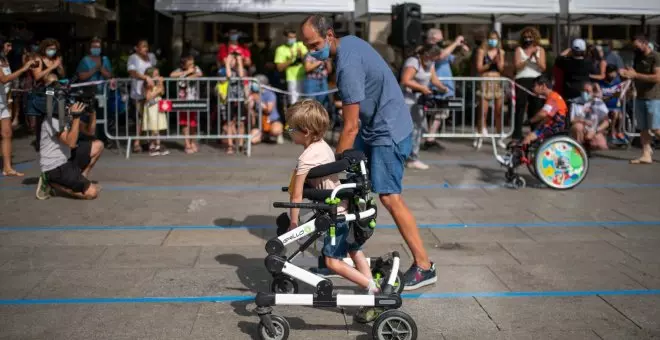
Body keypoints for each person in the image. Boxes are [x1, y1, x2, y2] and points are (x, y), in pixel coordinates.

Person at [300, 15, 436, 295]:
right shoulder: (348, 44)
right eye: (307, 46)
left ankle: (424, 266)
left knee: (388, 196)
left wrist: (328, 169)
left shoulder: (347, 65)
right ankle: (337, 254)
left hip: (387, 130)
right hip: (377, 125)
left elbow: (350, 127)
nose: (311, 51)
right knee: (350, 187)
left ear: (328, 36)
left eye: (314, 44)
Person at [285, 99, 380, 322]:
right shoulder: (324, 146)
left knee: (331, 262)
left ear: (305, 131)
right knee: (353, 249)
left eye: (291, 129)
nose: (289, 132)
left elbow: (296, 196)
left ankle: (372, 290)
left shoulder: (304, 159)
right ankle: (371, 285)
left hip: (334, 212)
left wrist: (293, 223)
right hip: (346, 206)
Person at [36, 95, 101, 200]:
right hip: (55, 166)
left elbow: (90, 132)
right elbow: (70, 143)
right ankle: (53, 184)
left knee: (98, 145)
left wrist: (93, 113)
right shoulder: (54, 118)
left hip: (67, 159)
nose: (74, 105)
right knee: (92, 193)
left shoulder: (65, 115)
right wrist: (76, 117)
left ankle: (82, 179)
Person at [400, 44, 449, 170]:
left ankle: (412, 157)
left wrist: (442, 88)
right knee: (410, 130)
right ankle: (408, 157)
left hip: (419, 102)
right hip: (407, 101)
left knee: (419, 129)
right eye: (433, 58)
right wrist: (422, 88)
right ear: (427, 54)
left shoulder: (430, 63)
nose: (434, 61)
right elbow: (405, 80)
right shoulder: (413, 62)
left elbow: (434, 80)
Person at [424, 29, 469, 148]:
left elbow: (454, 61)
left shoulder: (443, 49)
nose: (441, 42)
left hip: (446, 87)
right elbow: (441, 56)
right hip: (436, 86)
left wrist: (462, 52)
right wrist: (455, 43)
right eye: (439, 39)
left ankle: (431, 137)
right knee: (435, 113)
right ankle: (429, 138)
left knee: (440, 114)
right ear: (432, 39)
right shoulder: (430, 49)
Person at [620, 34, 660, 164]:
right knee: (643, 128)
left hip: (654, 97)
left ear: (645, 43)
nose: (635, 48)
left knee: (656, 128)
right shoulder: (637, 56)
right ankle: (646, 154)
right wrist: (627, 73)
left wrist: (636, 74)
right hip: (640, 96)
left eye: (637, 45)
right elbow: (634, 75)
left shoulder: (655, 56)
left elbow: (657, 77)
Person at [1, 40, 36, 177]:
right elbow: (3, 79)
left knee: (7, 133)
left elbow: (7, 85)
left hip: (3, 102)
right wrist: (24, 68)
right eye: (7, 45)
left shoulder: (4, 59)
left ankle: (7, 168)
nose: (10, 48)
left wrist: (9, 101)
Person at [474, 31, 506, 149]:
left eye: (495, 39)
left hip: (497, 81)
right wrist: (490, 64)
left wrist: (499, 61)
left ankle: (499, 137)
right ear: (487, 40)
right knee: (483, 111)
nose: (493, 41)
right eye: (491, 39)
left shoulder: (500, 52)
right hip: (485, 80)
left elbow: (501, 69)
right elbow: (479, 68)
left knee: (499, 111)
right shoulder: (482, 51)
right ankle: (480, 135)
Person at [513, 27, 546, 141]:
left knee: (536, 107)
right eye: (526, 37)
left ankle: (535, 133)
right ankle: (517, 134)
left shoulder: (540, 50)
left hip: (535, 80)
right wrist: (527, 60)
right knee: (520, 107)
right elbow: (517, 66)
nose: (528, 39)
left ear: (535, 38)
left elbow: (543, 67)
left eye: (530, 37)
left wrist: (535, 57)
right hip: (522, 79)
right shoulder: (519, 49)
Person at [127, 39, 157, 153]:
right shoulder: (133, 58)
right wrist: (145, 78)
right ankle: (137, 142)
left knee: (150, 116)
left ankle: (148, 141)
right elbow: (132, 72)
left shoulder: (151, 57)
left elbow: (154, 71)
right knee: (140, 118)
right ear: (137, 48)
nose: (146, 48)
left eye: (147, 46)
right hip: (138, 92)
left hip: (150, 91)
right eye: (143, 46)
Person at [522, 75, 568, 146]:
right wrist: (538, 127)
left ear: (543, 86)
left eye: (534, 86)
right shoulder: (554, 96)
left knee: (528, 138)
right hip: (555, 126)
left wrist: (530, 121)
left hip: (555, 128)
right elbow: (547, 117)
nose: (532, 88)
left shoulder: (553, 98)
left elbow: (543, 114)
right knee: (532, 134)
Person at [170, 55, 203, 154]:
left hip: (193, 99)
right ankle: (187, 143)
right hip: (182, 100)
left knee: (193, 123)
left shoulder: (196, 68)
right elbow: (172, 75)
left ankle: (192, 142)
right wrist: (186, 73)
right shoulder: (180, 70)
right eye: (189, 63)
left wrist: (187, 76)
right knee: (184, 123)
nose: (192, 65)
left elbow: (199, 74)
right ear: (184, 64)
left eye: (192, 63)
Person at [217, 53, 248, 154]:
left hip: (240, 99)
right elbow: (229, 75)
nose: (232, 61)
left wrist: (239, 61)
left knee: (241, 123)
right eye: (231, 60)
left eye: (233, 60)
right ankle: (230, 145)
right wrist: (227, 63)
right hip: (230, 99)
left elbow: (241, 75)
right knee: (230, 122)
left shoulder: (241, 69)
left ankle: (240, 144)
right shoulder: (225, 70)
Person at [569, 82, 610, 150]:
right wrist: (583, 120)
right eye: (584, 91)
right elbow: (572, 120)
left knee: (603, 146)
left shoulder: (598, 102)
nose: (586, 93)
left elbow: (606, 122)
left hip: (594, 129)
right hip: (581, 128)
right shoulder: (575, 102)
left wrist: (595, 131)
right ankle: (580, 149)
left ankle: (590, 147)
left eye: (588, 91)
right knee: (578, 127)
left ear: (592, 92)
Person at [247, 74, 283, 144]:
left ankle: (277, 134)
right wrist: (249, 103)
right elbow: (250, 110)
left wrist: (258, 101)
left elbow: (268, 110)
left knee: (275, 130)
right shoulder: (253, 93)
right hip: (260, 121)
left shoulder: (270, 94)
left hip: (271, 120)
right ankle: (264, 135)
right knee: (253, 140)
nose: (254, 85)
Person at [274, 30, 308, 105]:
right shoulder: (280, 49)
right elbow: (279, 68)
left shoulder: (300, 44)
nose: (292, 39)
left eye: (294, 37)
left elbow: (308, 60)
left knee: (306, 102)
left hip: (305, 77)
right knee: (295, 103)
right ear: (285, 37)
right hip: (292, 79)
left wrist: (301, 56)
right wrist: (291, 60)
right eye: (290, 37)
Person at [598, 65, 629, 145]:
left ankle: (619, 131)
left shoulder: (618, 83)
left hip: (616, 106)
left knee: (621, 116)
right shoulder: (600, 84)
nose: (612, 75)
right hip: (604, 107)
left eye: (614, 73)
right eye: (610, 72)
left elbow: (628, 82)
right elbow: (600, 97)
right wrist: (609, 96)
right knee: (615, 114)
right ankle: (612, 133)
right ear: (607, 73)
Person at [142, 67, 169, 156]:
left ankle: (158, 144)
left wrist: (161, 84)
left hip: (158, 106)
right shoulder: (148, 85)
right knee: (153, 127)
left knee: (159, 126)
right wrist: (158, 90)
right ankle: (152, 145)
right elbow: (148, 97)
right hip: (151, 107)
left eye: (158, 74)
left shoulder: (158, 84)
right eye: (156, 75)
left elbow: (162, 92)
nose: (158, 76)